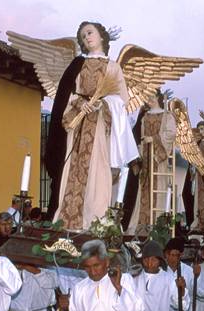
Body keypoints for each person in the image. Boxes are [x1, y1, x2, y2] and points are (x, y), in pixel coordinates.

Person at [52, 22, 139, 231]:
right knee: (72, 168)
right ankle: (67, 220)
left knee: (97, 172)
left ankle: (95, 221)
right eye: (82, 36)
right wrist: (79, 102)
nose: (86, 38)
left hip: (100, 127)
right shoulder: (78, 65)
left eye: (90, 33)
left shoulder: (113, 67)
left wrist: (103, 103)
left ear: (102, 36)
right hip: (79, 124)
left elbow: (122, 101)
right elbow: (67, 93)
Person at [127, 90, 176, 233]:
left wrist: (153, 139)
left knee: (158, 188)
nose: (149, 99)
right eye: (147, 97)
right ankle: (141, 224)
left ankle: (156, 223)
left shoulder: (167, 116)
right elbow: (140, 136)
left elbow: (170, 134)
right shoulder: (144, 117)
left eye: (152, 96)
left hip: (158, 160)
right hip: (146, 157)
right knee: (143, 190)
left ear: (158, 97)